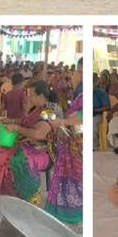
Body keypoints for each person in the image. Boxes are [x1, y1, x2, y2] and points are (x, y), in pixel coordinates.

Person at [0, 81, 54, 205]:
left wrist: (17, 128)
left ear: (41, 96)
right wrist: (11, 121)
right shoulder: (37, 108)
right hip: (28, 145)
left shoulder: (50, 110)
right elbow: (25, 121)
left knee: (17, 160)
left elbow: (39, 134)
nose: (29, 97)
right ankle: (2, 191)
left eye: (32, 95)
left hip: (43, 151)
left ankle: (26, 196)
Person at [45, 91, 83, 223]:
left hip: (74, 143)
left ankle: (72, 211)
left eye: (32, 94)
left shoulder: (49, 107)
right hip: (68, 140)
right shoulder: (49, 107)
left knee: (74, 178)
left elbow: (49, 123)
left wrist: (61, 123)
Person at [92, 74, 110, 150]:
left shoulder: (101, 93)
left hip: (98, 114)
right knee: (75, 119)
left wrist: (95, 110)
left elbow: (107, 107)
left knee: (91, 122)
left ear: (96, 82)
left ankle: (93, 146)